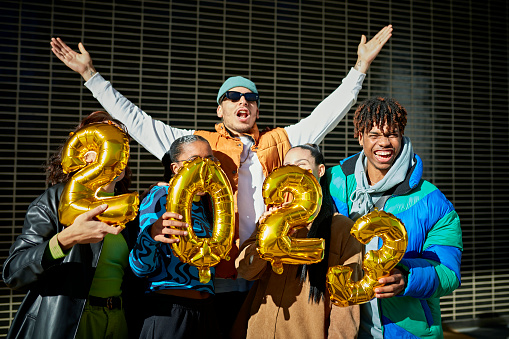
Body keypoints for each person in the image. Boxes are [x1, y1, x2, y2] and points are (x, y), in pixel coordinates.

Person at [50, 25, 392, 335]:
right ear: (220, 109)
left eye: (250, 97)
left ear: (257, 108)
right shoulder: (198, 145)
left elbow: (325, 116)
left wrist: (359, 70)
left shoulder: (280, 141)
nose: (243, 101)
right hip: (210, 280)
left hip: (262, 274)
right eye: (233, 97)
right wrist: (91, 75)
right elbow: (139, 122)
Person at [325, 97, 463, 338]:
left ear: (402, 137)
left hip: (406, 330)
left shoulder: (432, 201)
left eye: (392, 134)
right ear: (360, 137)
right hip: (340, 327)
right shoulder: (333, 183)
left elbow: (448, 271)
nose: (384, 143)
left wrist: (408, 277)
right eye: (374, 134)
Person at [2, 111, 145, 339]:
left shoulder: (129, 207)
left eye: (120, 145)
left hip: (118, 320)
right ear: (83, 154)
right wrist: (66, 239)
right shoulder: (53, 201)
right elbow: (13, 273)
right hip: (67, 323)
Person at [232, 144, 363, 339]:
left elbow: (346, 304)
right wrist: (266, 240)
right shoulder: (271, 219)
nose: (293, 173)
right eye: (287, 167)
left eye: (301, 165)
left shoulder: (341, 228)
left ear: (320, 170)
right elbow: (244, 270)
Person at [129, 135, 223, 339]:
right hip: (169, 312)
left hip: (207, 310)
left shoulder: (209, 204)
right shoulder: (160, 196)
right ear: (175, 168)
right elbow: (139, 267)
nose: (204, 168)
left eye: (210, 160)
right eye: (195, 160)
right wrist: (151, 236)